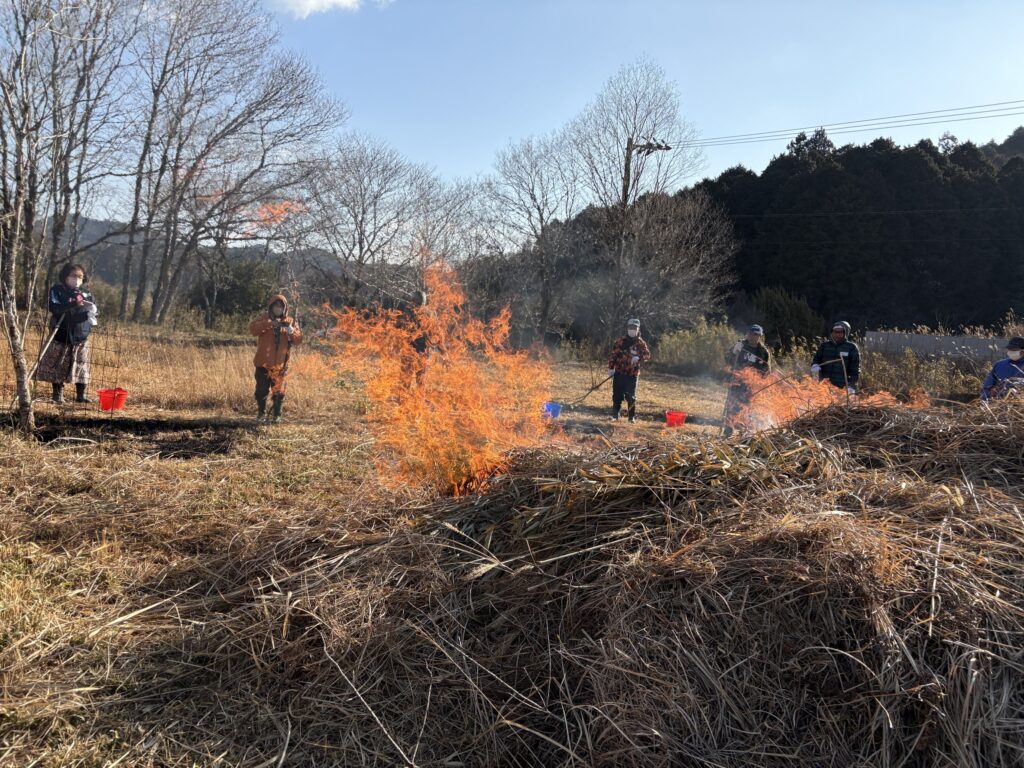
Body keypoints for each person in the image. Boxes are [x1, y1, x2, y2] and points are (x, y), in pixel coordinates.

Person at [34, 263, 98, 404]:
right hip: (61, 334)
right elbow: (54, 307)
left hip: (81, 335)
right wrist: (73, 304)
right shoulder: (57, 291)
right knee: (58, 364)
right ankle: (58, 395)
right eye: (73, 276)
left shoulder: (87, 293)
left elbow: (94, 310)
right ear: (65, 277)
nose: (77, 279)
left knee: (81, 366)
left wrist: (90, 313)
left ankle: (81, 395)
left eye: (80, 277)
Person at [249, 294, 302, 423]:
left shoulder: (290, 321)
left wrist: (291, 331)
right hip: (263, 363)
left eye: (280, 306)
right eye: (276, 306)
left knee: (279, 392)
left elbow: (298, 340)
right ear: (271, 307)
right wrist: (268, 323)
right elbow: (253, 330)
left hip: (280, 365)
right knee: (261, 391)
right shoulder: (264, 318)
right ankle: (261, 414)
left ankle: (277, 415)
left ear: (284, 308)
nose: (278, 308)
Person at [723, 324, 773, 430]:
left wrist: (759, 381)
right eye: (751, 333)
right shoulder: (740, 345)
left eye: (756, 334)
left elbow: (767, 370)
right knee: (732, 406)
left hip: (751, 385)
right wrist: (733, 351)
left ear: (760, 336)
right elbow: (728, 359)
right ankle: (728, 430)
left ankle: (744, 431)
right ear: (747, 334)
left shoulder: (763, 352)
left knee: (748, 409)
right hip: (737, 381)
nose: (753, 336)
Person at [607, 318, 651, 422]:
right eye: (631, 327)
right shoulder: (620, 341)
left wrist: (639, 357)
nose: (632, 329)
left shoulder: (641, 343)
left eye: (635, 328)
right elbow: (614, 355)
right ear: (627, 328)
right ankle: (615, 415)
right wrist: (611, 368)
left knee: (631, 396)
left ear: (638, 329)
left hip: (632, 374)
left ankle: (631, 417)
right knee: (617, 396)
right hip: (619, 373)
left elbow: (647, 355)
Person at [811, 320, 860, 394]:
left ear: (845, 333)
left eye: (839, 332)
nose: (836, 334)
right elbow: (816, 359)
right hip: (823, 387)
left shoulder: (851, 347)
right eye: (834, 331)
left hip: (842, 388)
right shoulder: (824, 346)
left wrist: (851, 386)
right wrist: (815, 365)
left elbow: (855, 370)